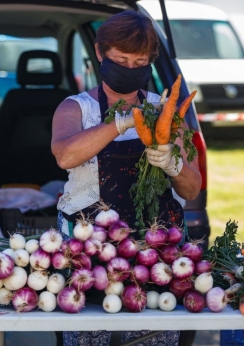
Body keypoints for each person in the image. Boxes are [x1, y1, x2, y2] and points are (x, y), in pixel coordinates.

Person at [51, 10, 202, 346]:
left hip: (156, 252)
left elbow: (192, 188)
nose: (130, 69)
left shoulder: (165, 111)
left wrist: (174, 166)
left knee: (153, 337)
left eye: (139, 62)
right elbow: (64, 155)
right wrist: (119, 123)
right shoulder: (76, 108)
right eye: (121, 59)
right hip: (88, 251)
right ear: (101, 53)